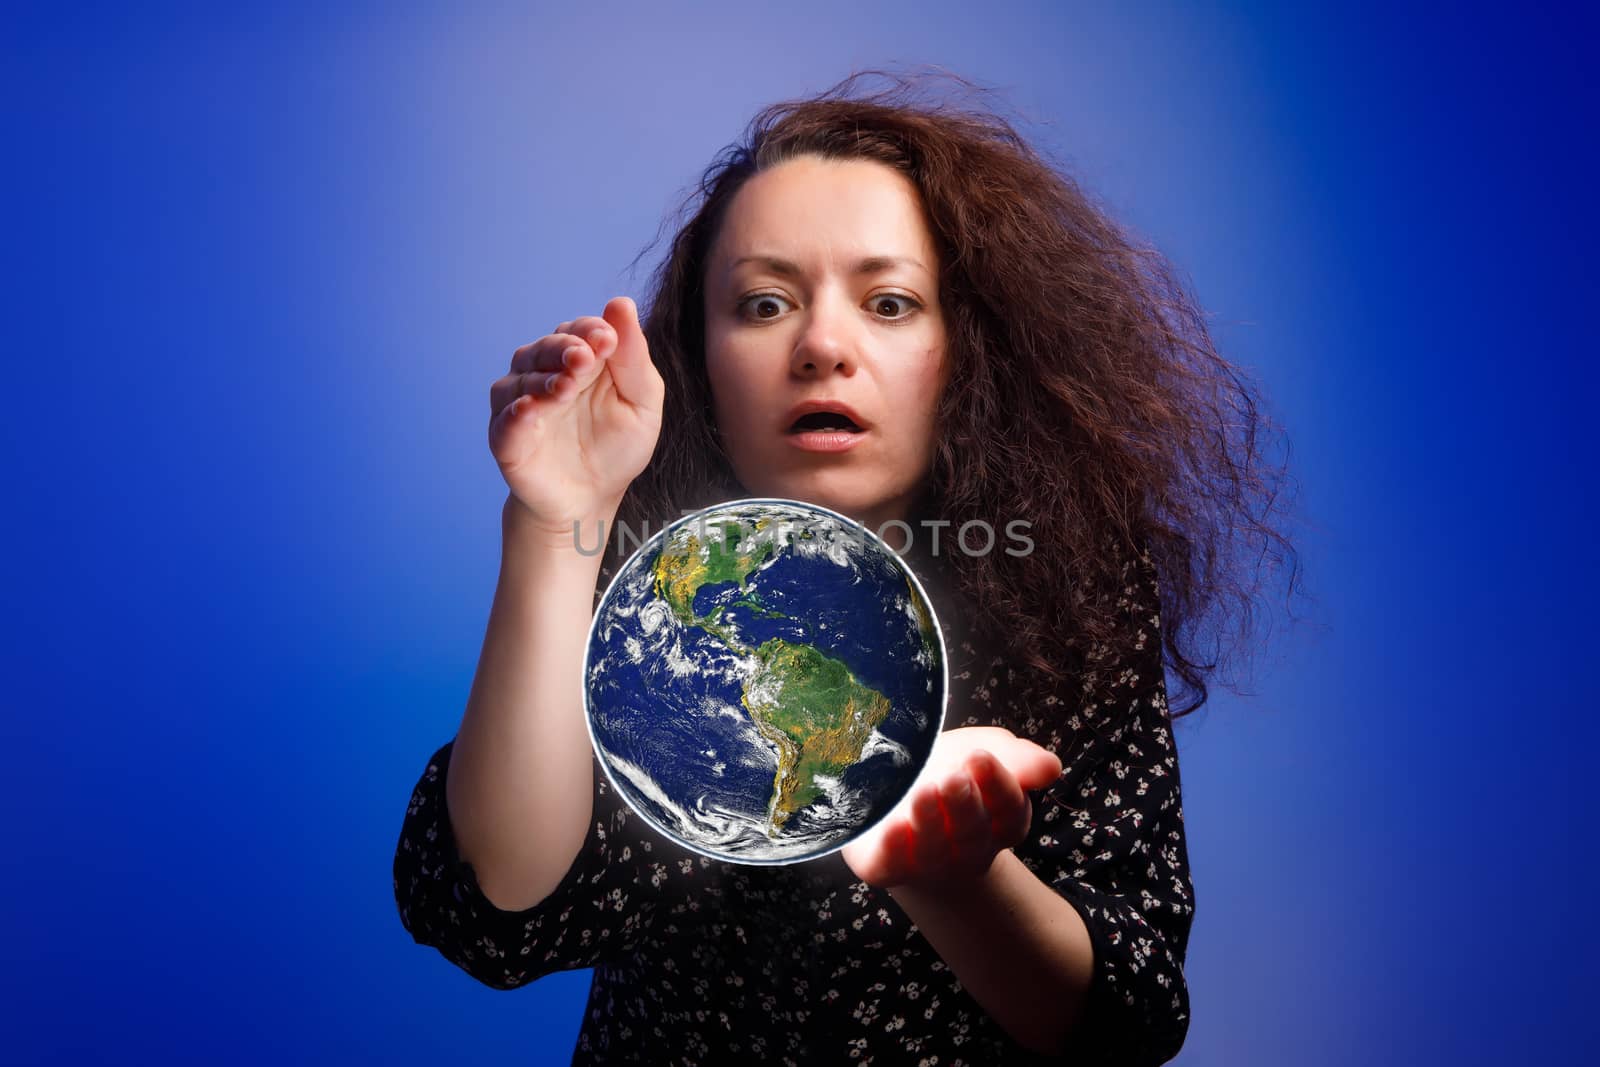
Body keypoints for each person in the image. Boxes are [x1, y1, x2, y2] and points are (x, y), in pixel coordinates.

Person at [393, 70, 1300, 1066]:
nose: (824, 344)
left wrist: (957, 879)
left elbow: (1126, 1018)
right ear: (699, 357)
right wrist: (553, 519)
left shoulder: (1071, 584)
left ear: (965, 350)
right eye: (765, 301)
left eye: (891, 301)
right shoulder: (669, 595)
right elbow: (502, 919)